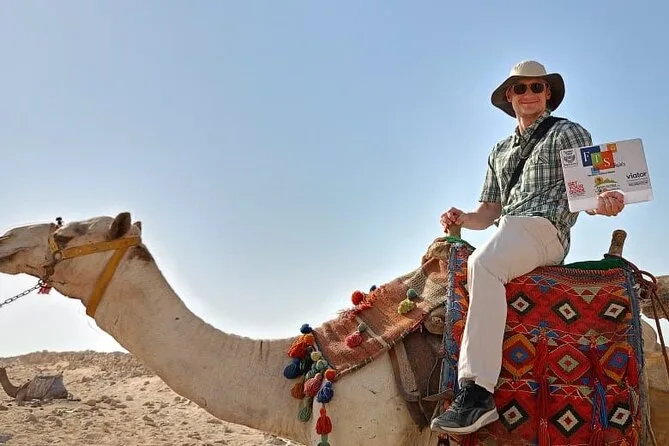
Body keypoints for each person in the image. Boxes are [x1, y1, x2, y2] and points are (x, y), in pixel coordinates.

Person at [429, 60, 626, 435]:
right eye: (521, 88)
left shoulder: (567, 132)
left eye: (537, 87)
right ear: (510, 96)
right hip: (507, 230)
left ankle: (477, 393)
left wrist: (603, 203)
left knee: (483, 265)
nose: (529, 94)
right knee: (479, 260)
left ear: (547, 93)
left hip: (545, 229)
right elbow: (489, 211)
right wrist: (463, 217)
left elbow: (588, 190)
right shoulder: (499, 150)